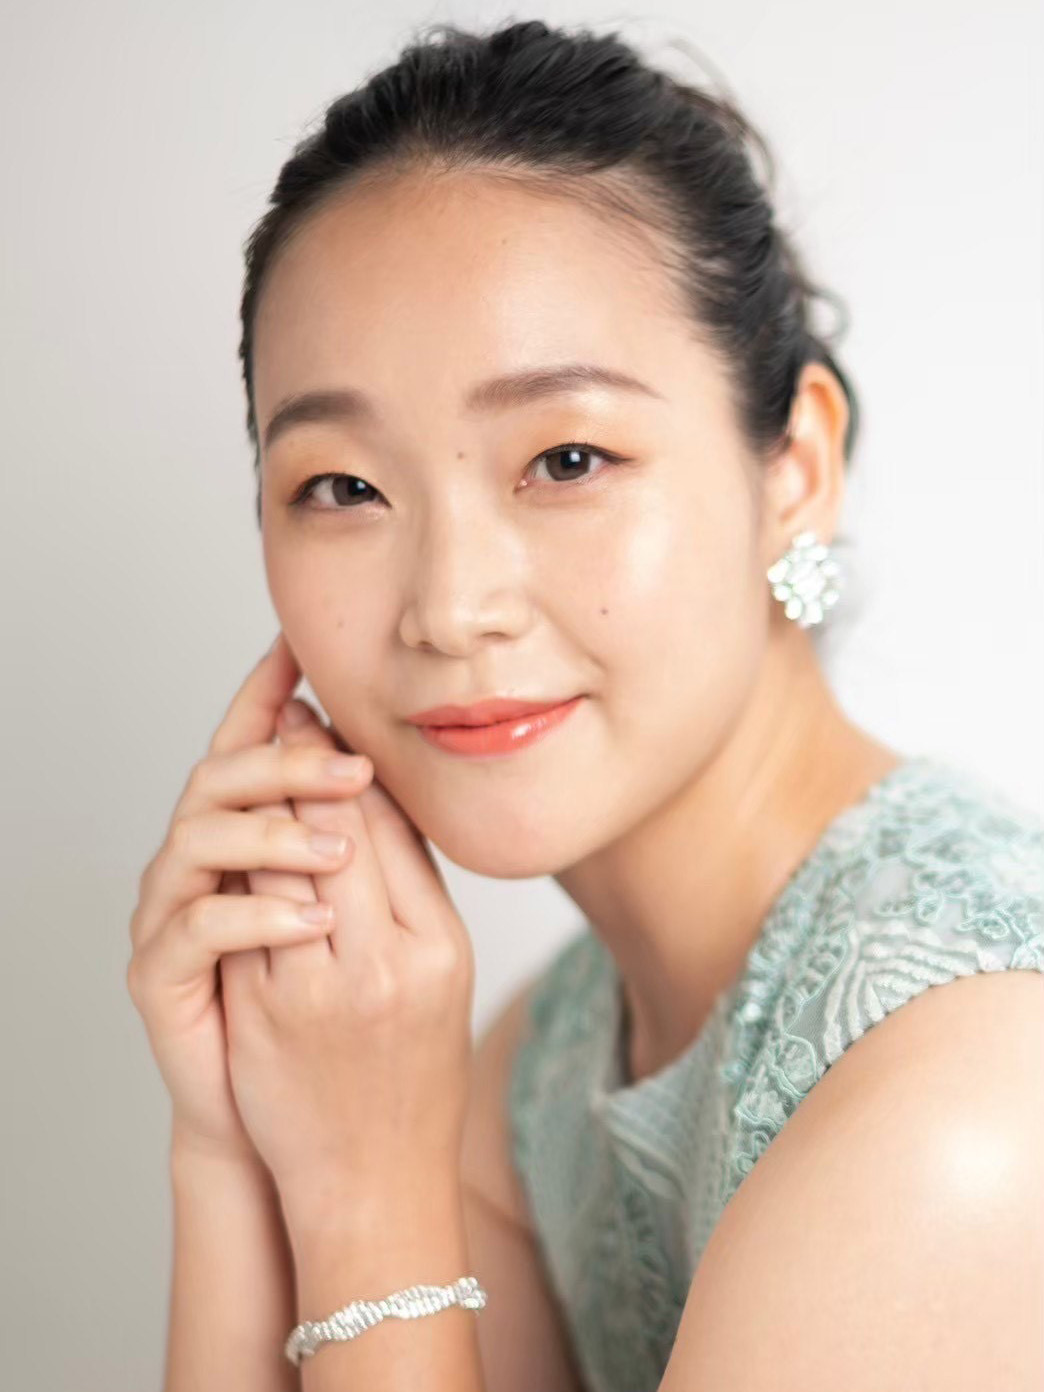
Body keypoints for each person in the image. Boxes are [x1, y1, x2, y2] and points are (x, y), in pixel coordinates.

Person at [126, 17, 1044, 1392]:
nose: (450, 606)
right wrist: (228, 1145)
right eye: (344, 488)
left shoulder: (966, 1101)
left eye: (565, 459)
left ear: (795, 468)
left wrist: (369, 1193)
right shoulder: (554, 1063)